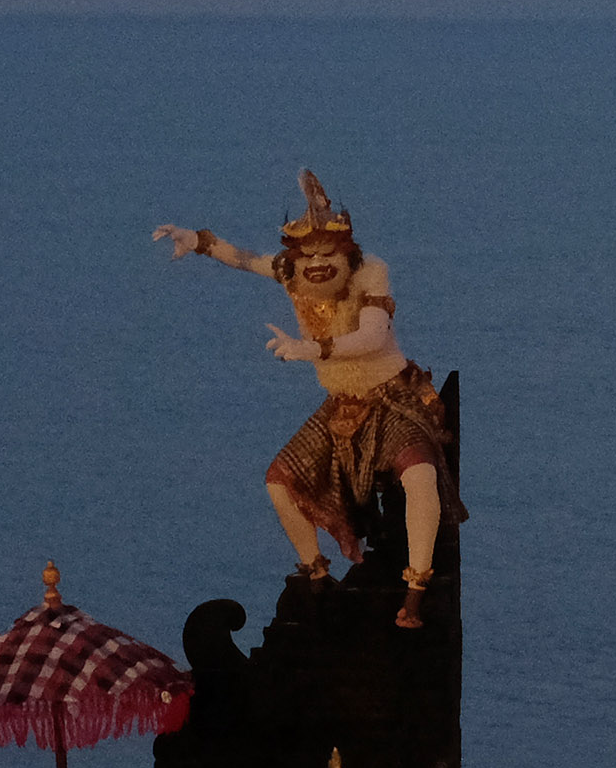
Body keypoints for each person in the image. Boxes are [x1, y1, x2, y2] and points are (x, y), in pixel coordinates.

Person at [157, 174, 464, 628]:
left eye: (328, 253)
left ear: (346, 252)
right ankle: (317, 576)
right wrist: (199, 242)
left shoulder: (370, 271)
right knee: (279, 480)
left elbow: (374, 334)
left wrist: (313, 350)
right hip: (339, 404)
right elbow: (246, 261)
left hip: (391, 398)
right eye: (310, 254)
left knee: (420, 476)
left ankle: (416, 591)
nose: (318, 262)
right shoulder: (290, 272)